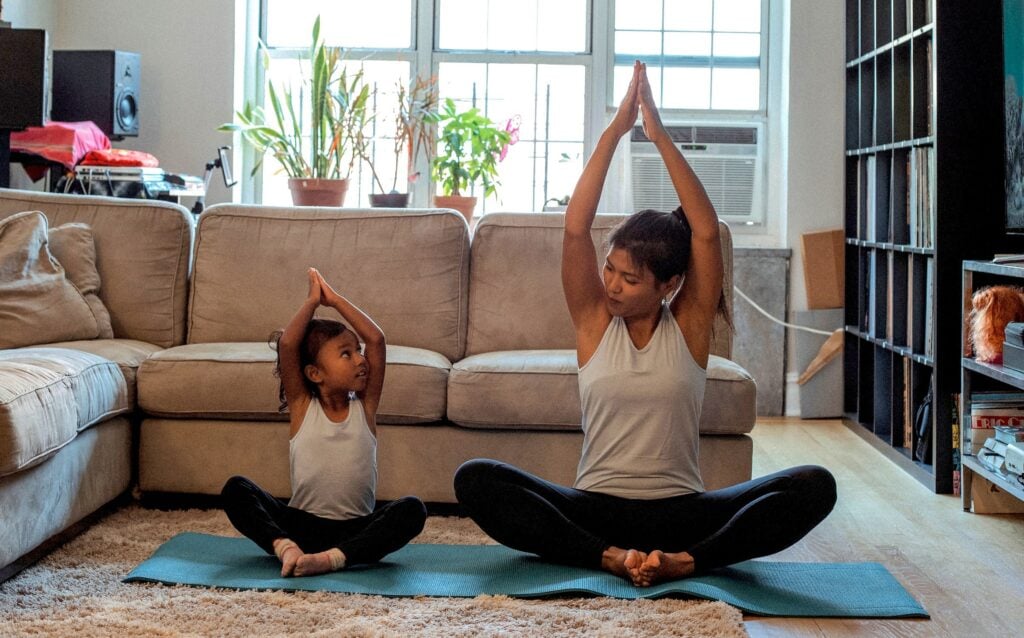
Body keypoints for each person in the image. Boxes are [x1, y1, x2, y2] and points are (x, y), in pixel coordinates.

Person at [454, 61, 836, 587]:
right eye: (609, 269)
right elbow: (574, 228)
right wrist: (615, 131)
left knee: (815, 484)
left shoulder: (689, 325)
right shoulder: (593, 320)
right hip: (594, 508)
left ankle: (686, 562)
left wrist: (658, 136)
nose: (610, 285)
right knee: (475, 479)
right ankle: (609, 556)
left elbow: (705, 232)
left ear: (669, 285)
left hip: (682, 513)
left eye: (628, 279)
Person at [222, 268, 426, 577]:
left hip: (357, 530)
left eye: (357, 351)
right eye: (346, 354)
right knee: (236, 489)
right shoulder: (303, 407)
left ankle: (331, 559)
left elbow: (377, 340)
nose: (360, 359)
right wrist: (311, 303)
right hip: (301, 526)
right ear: (315, 374)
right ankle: (286, 549)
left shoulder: (365, 407)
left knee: (412, 509)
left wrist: (335, 300)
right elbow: (288, 346)